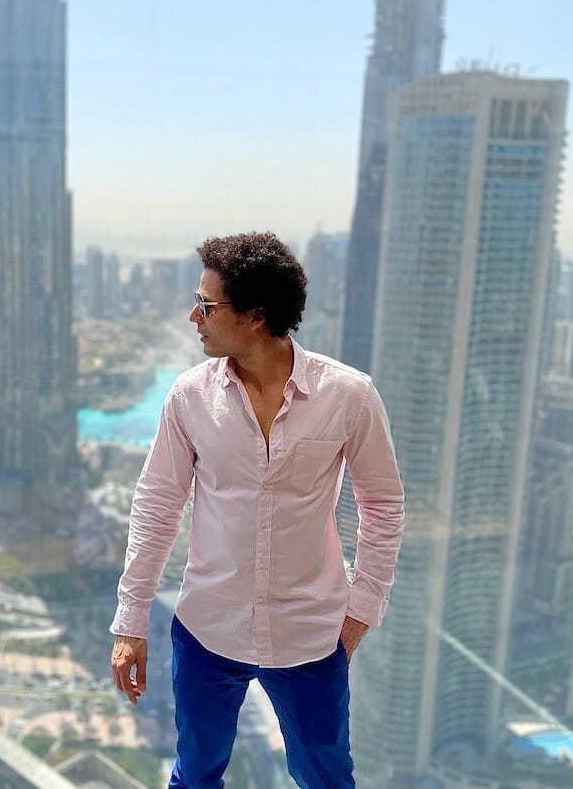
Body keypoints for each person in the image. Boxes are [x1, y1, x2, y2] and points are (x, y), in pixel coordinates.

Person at [109, 232, 404, 788]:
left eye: (208, 304)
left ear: (256, 316)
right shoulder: (189, 396)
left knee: (326, 777)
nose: (193, 315)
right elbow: (156, 506)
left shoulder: (349, 395)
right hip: (206, 628)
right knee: (195, 775)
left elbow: (383, 505)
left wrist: (364, 606)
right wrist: (130, 622)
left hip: (310, 634)